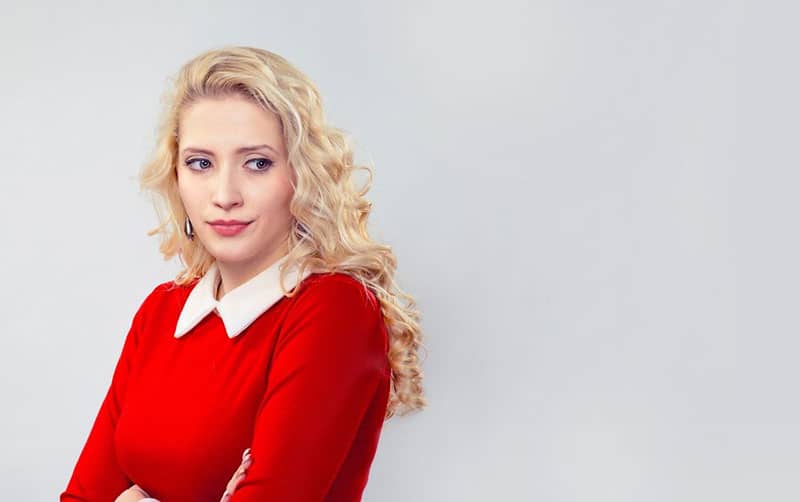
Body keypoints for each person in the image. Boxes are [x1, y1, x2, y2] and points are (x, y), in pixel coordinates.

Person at [60, 45, 427, 502]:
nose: (225, 194)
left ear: (299, 175)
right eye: (201, 163)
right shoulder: (162, 311)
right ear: (176, 176)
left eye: (257, 163)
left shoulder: (334, 310)